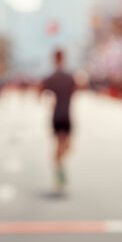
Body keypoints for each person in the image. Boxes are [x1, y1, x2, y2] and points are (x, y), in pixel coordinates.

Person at [40, 48, 76, 190]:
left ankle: (58, 164)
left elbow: (40, 93)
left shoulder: (52, 78)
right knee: (66, 145)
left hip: (59, 115)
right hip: (64, 116)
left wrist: (48, 99)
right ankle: (58, 167)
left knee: (64, 145)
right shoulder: (69, 77)